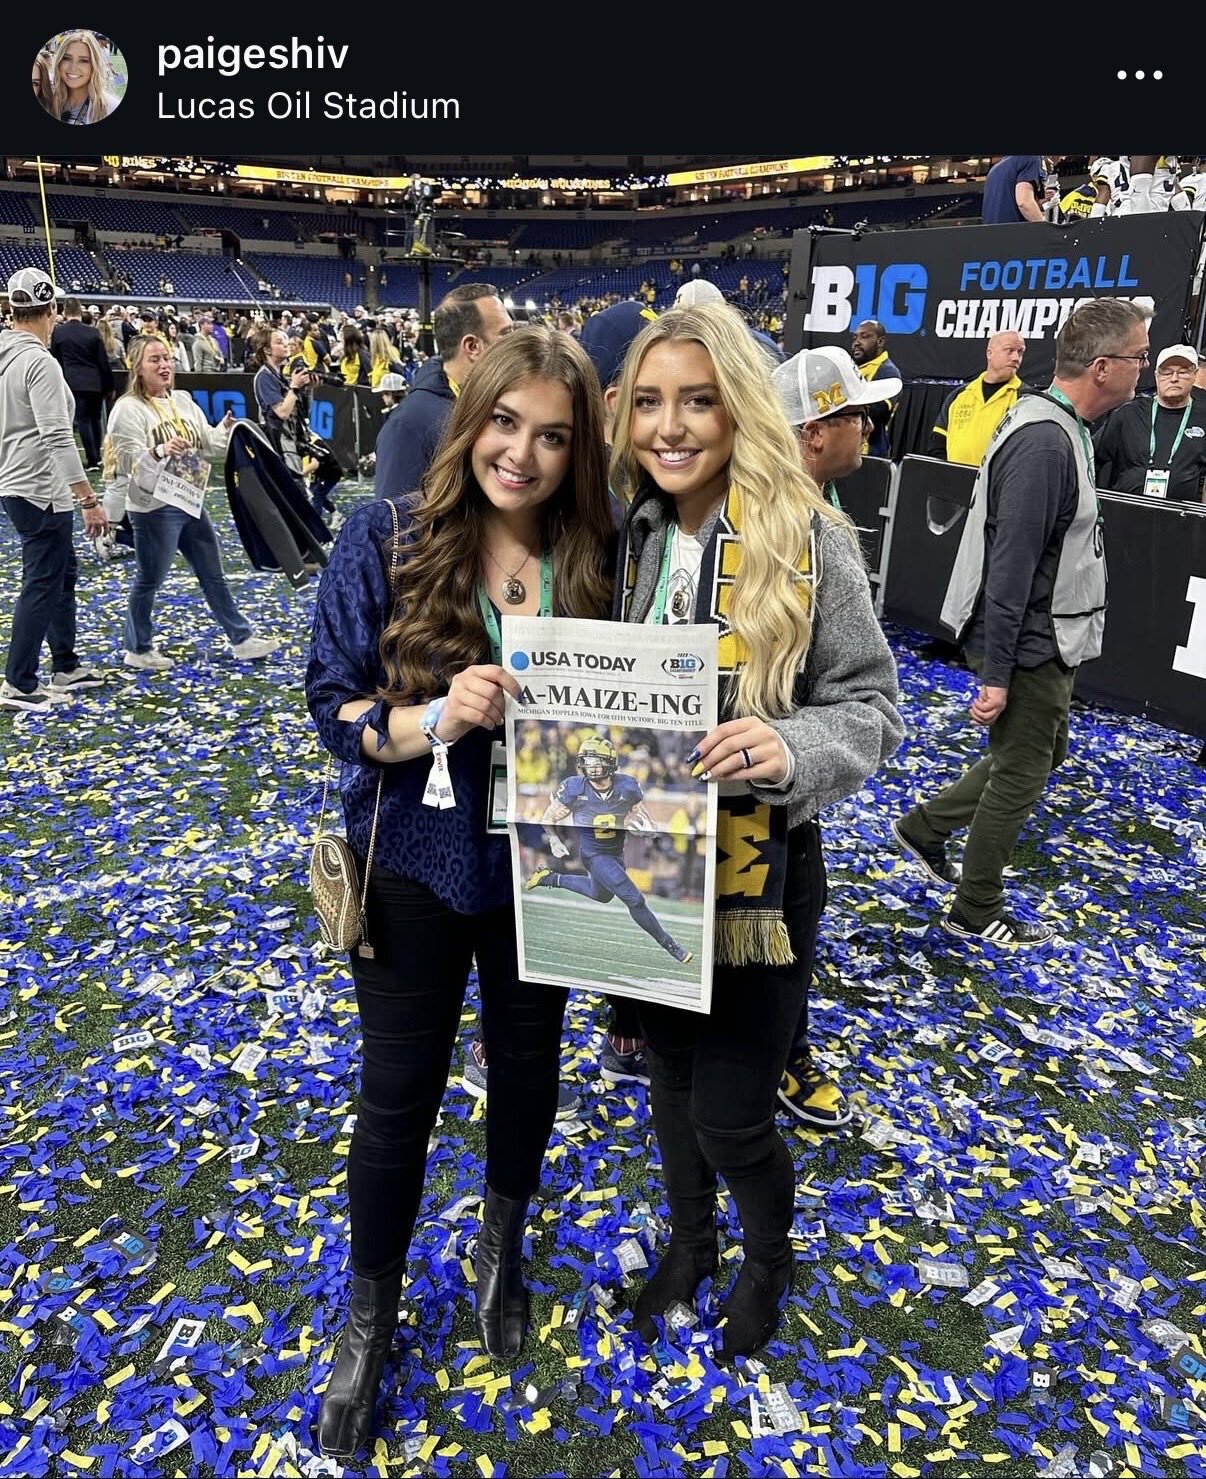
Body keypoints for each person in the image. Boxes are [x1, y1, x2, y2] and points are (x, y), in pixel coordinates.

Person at [305, 328, 616, 1458]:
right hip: (414, 864)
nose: (521, 455)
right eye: (504, 422)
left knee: (529, 1070)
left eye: (552, 436)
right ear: (469, 417)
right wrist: (428, 719)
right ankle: (370, 1314)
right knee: (398, 1098)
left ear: (578, 451)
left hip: (552, 867)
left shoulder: (602, 556)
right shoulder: (384, 537)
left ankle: (501, 1244)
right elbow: (329, 703)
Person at [608, 304, 902, 1360]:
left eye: (697, 400)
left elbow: (873, 707)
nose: (670, 426)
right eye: (650, 402)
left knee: (732, 1111)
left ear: (738, 406)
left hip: (760, 880)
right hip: (650, 861)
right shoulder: (635, 533)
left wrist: (788, 747)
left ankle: (768, 1259)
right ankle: (692, 1245)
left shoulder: (809, 534)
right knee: (671, 1084)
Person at [894, 298, 1150, 947]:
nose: (1143, 369)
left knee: (1035, 753)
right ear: (1102, 367)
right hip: (1033, 637)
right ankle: (975, 906)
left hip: (1043, 632)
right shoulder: (1044, 441)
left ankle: (925, 827)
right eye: (1138, 357)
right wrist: (998, 672)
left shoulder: (1056, 428)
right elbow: (1010, 568)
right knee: (1023, 768)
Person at [767, 344, 903, 1130]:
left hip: (767, 780)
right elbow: (870, 700)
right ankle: (785, 1058)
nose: (869, 428)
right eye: (857, 414)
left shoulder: (793, 517)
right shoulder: (814, 527)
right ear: (815, 430)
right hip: (776, 806)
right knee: (788, 927)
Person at [105, 336, 279, 672]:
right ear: (137, 368)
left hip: (188, 499)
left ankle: (241, 638)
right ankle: (137, 648)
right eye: (155, 359)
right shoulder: (127, 409)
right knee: (149, 579)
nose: (164, 365)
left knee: (213, 573)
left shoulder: (183, 401)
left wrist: (223, 430)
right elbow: (127, 461)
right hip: (154, 508)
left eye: (167, 358)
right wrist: (160, 450)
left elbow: (208, 446)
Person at [0, 268, 108, 712]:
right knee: (43, 581)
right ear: (52, 309)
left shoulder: (7, 357)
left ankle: (65, 663)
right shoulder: (38, 362)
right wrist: (88, 498)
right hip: (40, 485)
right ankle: (19, 681)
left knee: (60, 574)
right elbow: (58, 436)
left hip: (18, 481)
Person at [526, 734, 695, 962]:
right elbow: (549, 817)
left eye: (597, 761)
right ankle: (672, 946)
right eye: (587, 761)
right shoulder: (575, 787)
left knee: (601, 895)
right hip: (593, 854)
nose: (591, 766)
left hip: (615, 853)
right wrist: (554, 839)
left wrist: (645, 829)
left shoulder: (627, 786)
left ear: (610, 762)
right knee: (635, 900)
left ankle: (549, 878)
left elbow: (641, 817)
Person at [373, 284, 514, 501]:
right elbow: (395, 517)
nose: (515, 343)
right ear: (472, 347)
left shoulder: (493, 399)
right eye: (506, 334)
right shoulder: (409, 425)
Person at [1093, 344, 1206, 504]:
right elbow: (1092, 457)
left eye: (1182, 372)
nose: (1174, 378)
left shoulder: (1203, 417)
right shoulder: (1128, 414)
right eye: (1167, 372)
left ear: (1194, 375)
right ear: (1156, 376)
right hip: (1126, 510)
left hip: (1182, 516)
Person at [928, 332, 1027, 466]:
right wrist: (949, 473)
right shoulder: (959, 395)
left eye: (1020, 352)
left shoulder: (1025, 399)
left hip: (998, 479)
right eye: (1009, 350)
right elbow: (938, 442)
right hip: (953, 477)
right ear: (990, 353)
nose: (1016, 358)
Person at [50, 296, 113, 471]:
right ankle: (97, 457)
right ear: (80, 311)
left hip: (73, 383)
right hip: (95, 382)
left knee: (83, 419)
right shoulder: (93, 332)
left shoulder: (59, 332)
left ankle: (92, 459)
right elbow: (103, 362)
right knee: (95, 419)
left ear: (64, 312)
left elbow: (55, 360)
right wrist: (109, 386)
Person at [849, 320, 902, 457]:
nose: (857, 342)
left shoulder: (888, 372)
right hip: (845, 449)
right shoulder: (850, 369)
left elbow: (877, 411)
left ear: (880, 342)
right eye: (855, 337)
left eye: (864, 336)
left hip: (870, 453)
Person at [49, 30, 120, 124]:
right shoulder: (47, 99)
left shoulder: (111, 107)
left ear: (94, 65)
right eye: (66, 58)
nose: (73, 67)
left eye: (83, 61)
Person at [981, 155, 1044, 224]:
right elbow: (1024, 203)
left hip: (990, 228)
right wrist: (1045, 227)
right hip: (1014, 229)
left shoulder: (995, 168)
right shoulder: (1030, 158)